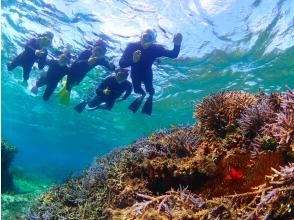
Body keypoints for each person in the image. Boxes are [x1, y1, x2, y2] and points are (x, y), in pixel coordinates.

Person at [119, 29, 183, 115]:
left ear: (153, 40)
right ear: (141, 37)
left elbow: (173, 55)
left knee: (150, 89)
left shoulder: (156, 48)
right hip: (135, 74)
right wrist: (133, 60)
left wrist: (177, 44)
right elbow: (121, 64)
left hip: (147, 73)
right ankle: (142, 95)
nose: (146, 40)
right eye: (145, 36)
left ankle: (150, 97)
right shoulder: (132, 46)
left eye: (150, 38)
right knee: (137, 89)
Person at [58, 40, 115, 105]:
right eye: (97, 49)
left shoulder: (101, 59)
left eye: (100, 51)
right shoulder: (86, 52)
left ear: (103, 53)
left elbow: (111, 68)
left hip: (79, 76)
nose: (97, 53)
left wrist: (112, 66)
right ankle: (64, 90)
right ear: (93, 48)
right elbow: (75, 64)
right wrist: (87, 62)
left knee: (72, 85)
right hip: (72, 71)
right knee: (68, 85)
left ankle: (65, 90)